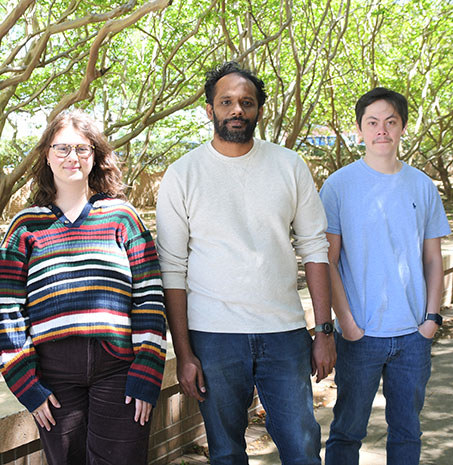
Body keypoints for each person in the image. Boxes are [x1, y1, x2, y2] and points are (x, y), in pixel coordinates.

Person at [156, 61, 336, 465]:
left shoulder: (290, 166)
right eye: (226, 102)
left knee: (303, 447)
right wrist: (184, 353)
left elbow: (314, 249)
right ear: (210, 110)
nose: (236, 109)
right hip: (214, 336)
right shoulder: (182, 174)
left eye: (246, 102)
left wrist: (324, 331)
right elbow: (172, 268)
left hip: (284, 333)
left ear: (258, 110)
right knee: (225, 452)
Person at [0, 110, 166, 465]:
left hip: (119, 370)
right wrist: (25, 383)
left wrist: (147, 371)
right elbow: (7, 308)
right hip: (54, 375)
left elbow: (150, 296)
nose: (71, 157)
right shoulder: (25, 226)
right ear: (47, 154)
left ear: (96, 155)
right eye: (62, 148)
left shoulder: (123, 217)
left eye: (81, 148)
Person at [320, 87, 451, 465]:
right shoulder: (338, 186)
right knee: (347, 431)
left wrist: (431, 319)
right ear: (359, 130)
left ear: (402, 128)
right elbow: (328, 259)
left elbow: (431, 258)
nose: (382, 130)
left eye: (390, 122)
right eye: (372, 122)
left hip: (413, 335)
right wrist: (347, 322)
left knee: (408, 431)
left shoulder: (423, 186)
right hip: (359, 335)